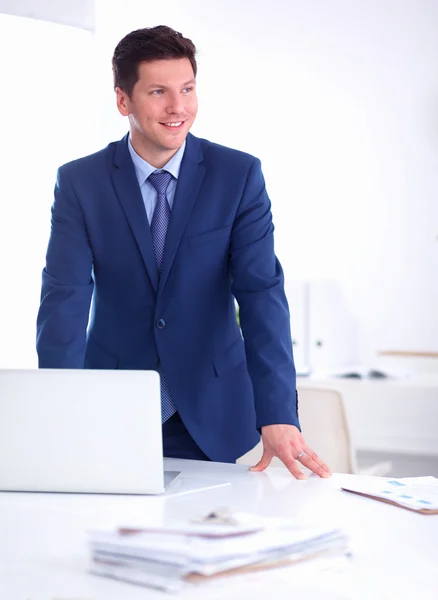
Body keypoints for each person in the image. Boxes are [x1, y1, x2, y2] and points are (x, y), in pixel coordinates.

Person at [36, 25, 331, 479]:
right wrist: (60, 410)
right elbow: (65, 299)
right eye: (158, 92)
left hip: (213, 411)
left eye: (187, 89)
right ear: (123, 101)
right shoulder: (81, 182)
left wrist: (278, 412)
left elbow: (262, 296)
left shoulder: (238, 175)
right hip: (113, 408)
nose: (178, 107)